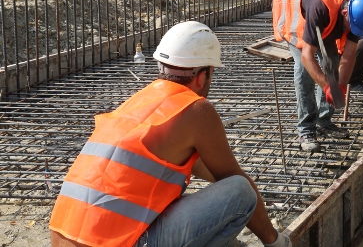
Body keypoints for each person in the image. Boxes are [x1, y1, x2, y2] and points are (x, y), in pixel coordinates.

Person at [49, 21, 291, 247]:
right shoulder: (196, 109)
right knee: (241, 191)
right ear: (203, 76)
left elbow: (205, 170)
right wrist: (275, 240)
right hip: (122, 242)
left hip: (63, 236)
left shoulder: (140, 101)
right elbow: (235, 181)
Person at [272, 0, 363, 152]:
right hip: (293, 8)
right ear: (345, 13)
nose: (354, 32)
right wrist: (328, 87)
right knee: (304, 70)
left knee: (332, 62)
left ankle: (324, 121)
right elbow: (308, 56)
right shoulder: (320, 8)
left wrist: (341, 86)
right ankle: (306, 129)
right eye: (352, 27)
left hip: (326, 20)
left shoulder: (359, 11)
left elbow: (349, 53)